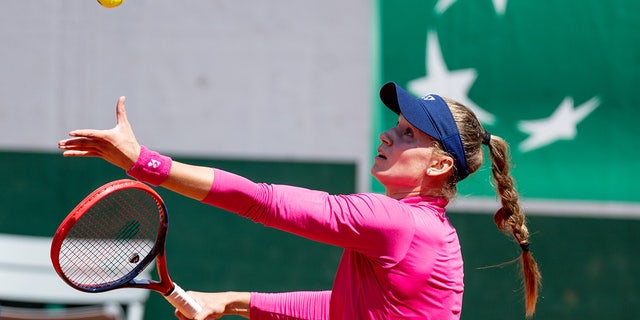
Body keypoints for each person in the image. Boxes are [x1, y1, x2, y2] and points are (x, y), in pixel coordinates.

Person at [58, 82, 541, 319]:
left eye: (407, 133)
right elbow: (341, 308)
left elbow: (262, 202)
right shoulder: (427, 229)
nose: (388, 134)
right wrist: (232, 300)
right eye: (395, 125)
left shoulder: (398, 223)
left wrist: (144, 161)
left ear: (438, 167)